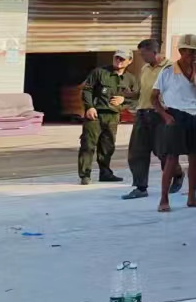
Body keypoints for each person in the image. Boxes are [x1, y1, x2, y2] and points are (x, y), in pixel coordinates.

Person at [151, 33, 196, 212]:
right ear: (182, 51)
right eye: (191, 52)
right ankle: (164, 199)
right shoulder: (168, 72)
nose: (194, 56)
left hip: (195, 115)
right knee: (172, 158)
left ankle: (192, 197)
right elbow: (153, 97)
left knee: (195, 157)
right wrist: (165, 116)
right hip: (176, 115)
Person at [121, 39, 180, 200]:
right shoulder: (145, 68)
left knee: (163, 152)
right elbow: (142, 92)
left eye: (143, 54)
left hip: (161, 115)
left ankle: (177, 174)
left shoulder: (171, 68)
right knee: (137, 152)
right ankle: (140, 187)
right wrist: (129, 94)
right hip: (142, 113)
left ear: (154, 52)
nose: (142, 57)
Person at [77, 52, 129, 184]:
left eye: (122, 59)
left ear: (130, 61)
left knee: (107, 147)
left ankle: (105, 173)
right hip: (95, 114)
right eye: (117, 58)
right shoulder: (99, 72)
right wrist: (89, 107)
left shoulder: (130, 79)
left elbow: (136, 97)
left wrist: (123, 100)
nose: (119, 61)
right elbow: (87, 89)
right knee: (88, 145)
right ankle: (85, 175)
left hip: (113, 117)